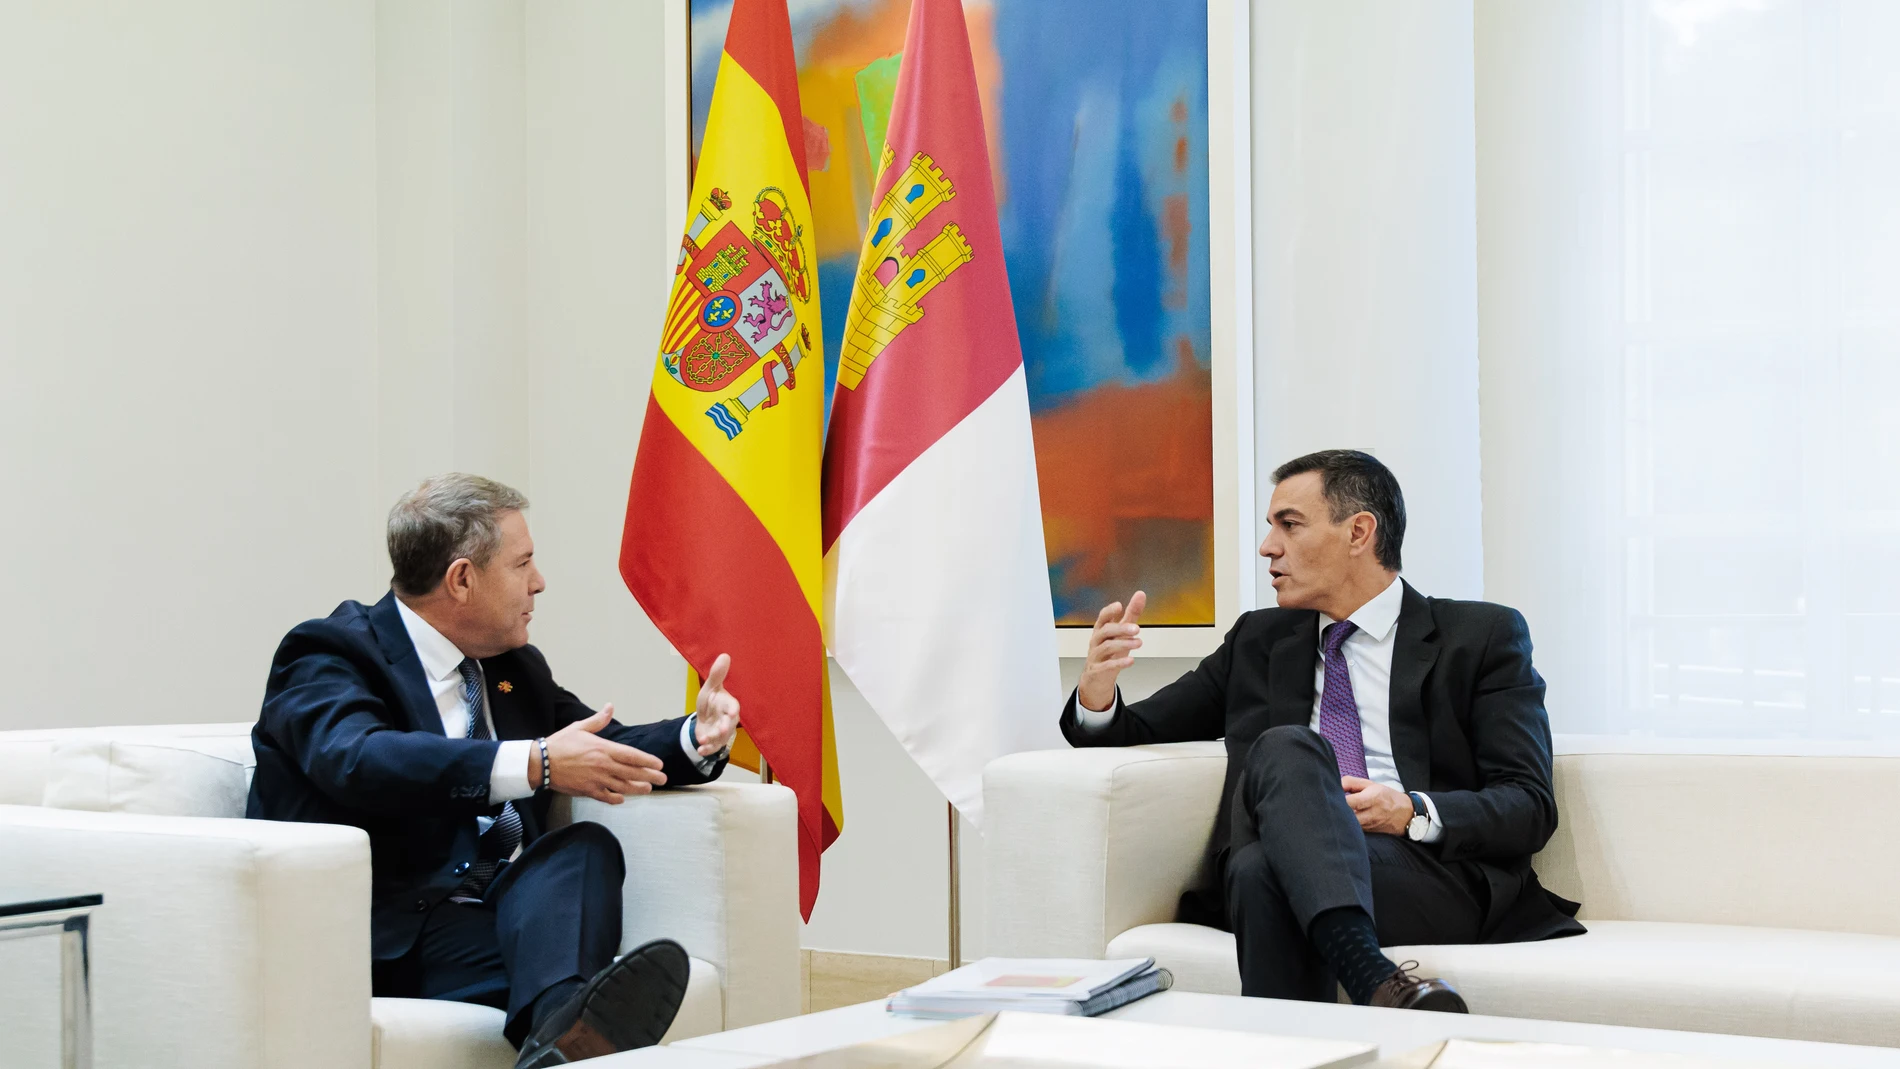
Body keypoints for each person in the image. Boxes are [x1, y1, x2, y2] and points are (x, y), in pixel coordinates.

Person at [1062, 449, 1583, 1011]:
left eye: (1289, 525)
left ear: (1359, 532)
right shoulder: (1259, 642)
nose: (1268, 547)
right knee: (1282, 768)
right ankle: (1372, 976)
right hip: (1283, 858)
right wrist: (1098, 688)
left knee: (1263, 871)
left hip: (1424, 870)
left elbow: (1528, 803)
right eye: (1270, 528)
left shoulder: (1480, 637)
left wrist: (1409, 810)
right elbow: (1131, 729)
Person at [248, 474, 740, 1067]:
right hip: (391, 930)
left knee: (582, 848)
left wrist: (696, 736)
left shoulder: (512, 669)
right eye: (522, 564)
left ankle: (560, 1039)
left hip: (494, 917)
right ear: (462, 579)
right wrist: (534, 764)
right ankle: (574, 1026)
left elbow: (598, 741)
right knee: (585, 983)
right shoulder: (331, 652)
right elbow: (359, 758)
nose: (539, 582)